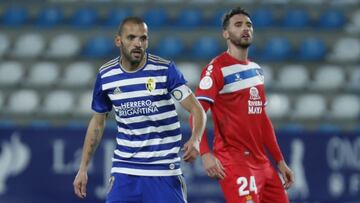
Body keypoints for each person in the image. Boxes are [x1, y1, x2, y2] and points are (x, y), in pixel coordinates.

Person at [73, 16, 206, 203]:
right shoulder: (106, 75)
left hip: (163, 171)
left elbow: (196, 109)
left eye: (143, 38)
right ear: (118, 40)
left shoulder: (165, 70)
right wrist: (83, 168)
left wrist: (196, 139)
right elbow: (97, 122)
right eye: (131, 38)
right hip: (125, 171)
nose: (138, 43)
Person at [193, 7, 295, 203]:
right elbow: (197, 112)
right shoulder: (216, 69)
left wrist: (280, 161)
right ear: (226, 33)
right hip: (234, 161)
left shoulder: (256, 70)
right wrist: (205, 153)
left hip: (262, 162)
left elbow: (262, 120)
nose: (245, 29)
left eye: (248, 24)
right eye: (238, 25)